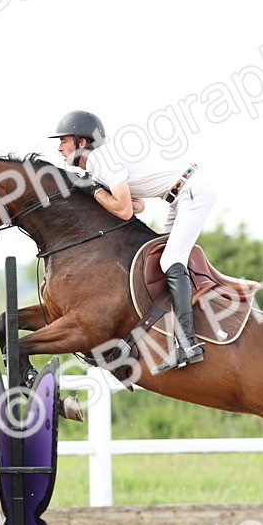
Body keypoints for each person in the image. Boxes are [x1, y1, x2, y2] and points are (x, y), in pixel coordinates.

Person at [49, 110, 215, 374]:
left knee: (171, 260)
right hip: (179, 195)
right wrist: (99, 191)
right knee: (159, 259)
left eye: (64, 141)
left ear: (82, 142)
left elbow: (125, 211)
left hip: (192, 190)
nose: (59, 148)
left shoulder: (101, 160)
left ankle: (188, 344)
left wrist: (95, 191)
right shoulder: (98, 166)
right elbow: (136, 205)